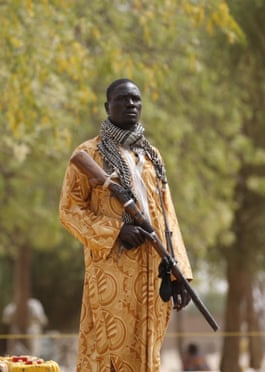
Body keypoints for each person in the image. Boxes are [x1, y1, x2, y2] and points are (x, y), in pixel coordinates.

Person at [59, 78, 193, 371]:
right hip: (112, 271)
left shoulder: (152, 156)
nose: (131, 104)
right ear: (108, 106)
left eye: (136, 99)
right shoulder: (88, 154)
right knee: (110, 350)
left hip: (155, 270)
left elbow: (168, 216)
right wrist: (116, 231)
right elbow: (69, 210)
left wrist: (179, 272)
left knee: (149, 351)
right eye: (123, 99)